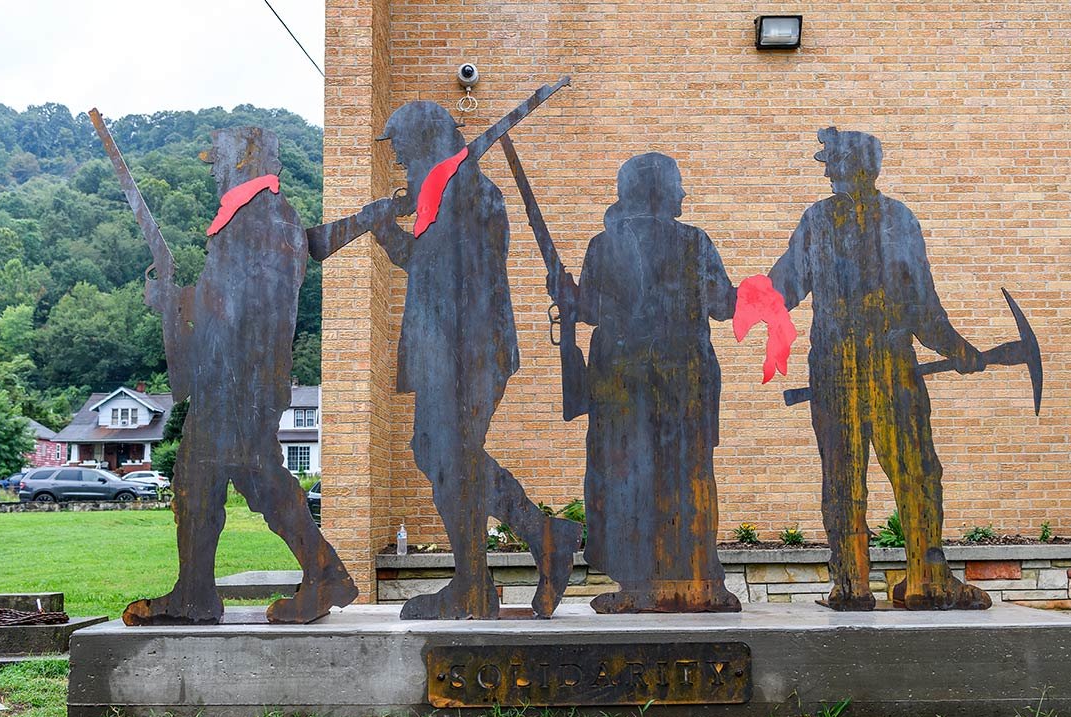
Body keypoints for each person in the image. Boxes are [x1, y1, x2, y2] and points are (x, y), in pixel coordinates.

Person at [121, 127, 358, 625]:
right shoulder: (253, 217)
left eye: (218, 161)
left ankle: (307, 576)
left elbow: (243, 309)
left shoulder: (261, 218)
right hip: (237, 379)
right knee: (227, 481)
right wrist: (178, 301)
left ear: (245, 158)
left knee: (215, 480)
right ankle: (202, 591)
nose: (212, 170)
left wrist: (178, 303)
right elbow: (226, 302)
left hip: (239, 381)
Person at [369, 101, 582, 620]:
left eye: (401, 148)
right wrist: (385, 227)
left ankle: (480, 579)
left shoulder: (467, 193)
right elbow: (425, 264)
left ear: (424, 141)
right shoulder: (442, 193)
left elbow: (441, 267)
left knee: (448, 457)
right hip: (448, 351)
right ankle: (526, 547)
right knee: (440, 455)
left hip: (469, 351)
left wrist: (386, 229)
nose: (398, 159)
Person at [767, 127, 992, 611]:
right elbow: (922, 308)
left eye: (830, 162)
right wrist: (956, 349)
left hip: (839, 365)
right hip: (886, 364)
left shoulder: (821, 221)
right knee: (913, 472)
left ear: (854, 165)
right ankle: (925, 581)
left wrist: (743, 299)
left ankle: (851, 586)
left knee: (848, 476)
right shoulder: (896, 219)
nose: (825, 171)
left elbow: (783, 289)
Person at [564, 153, 742, 613]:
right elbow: (724, 306)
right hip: (685, 381)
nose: (684, 193)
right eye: (677, 185)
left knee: (628, 480)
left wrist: (569, 296)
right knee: (691, 476)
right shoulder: (695, 243)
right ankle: (701, 580)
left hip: (623, 384)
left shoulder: (604, 246)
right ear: (659, 191)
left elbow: (589, 313)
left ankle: (639, 586)